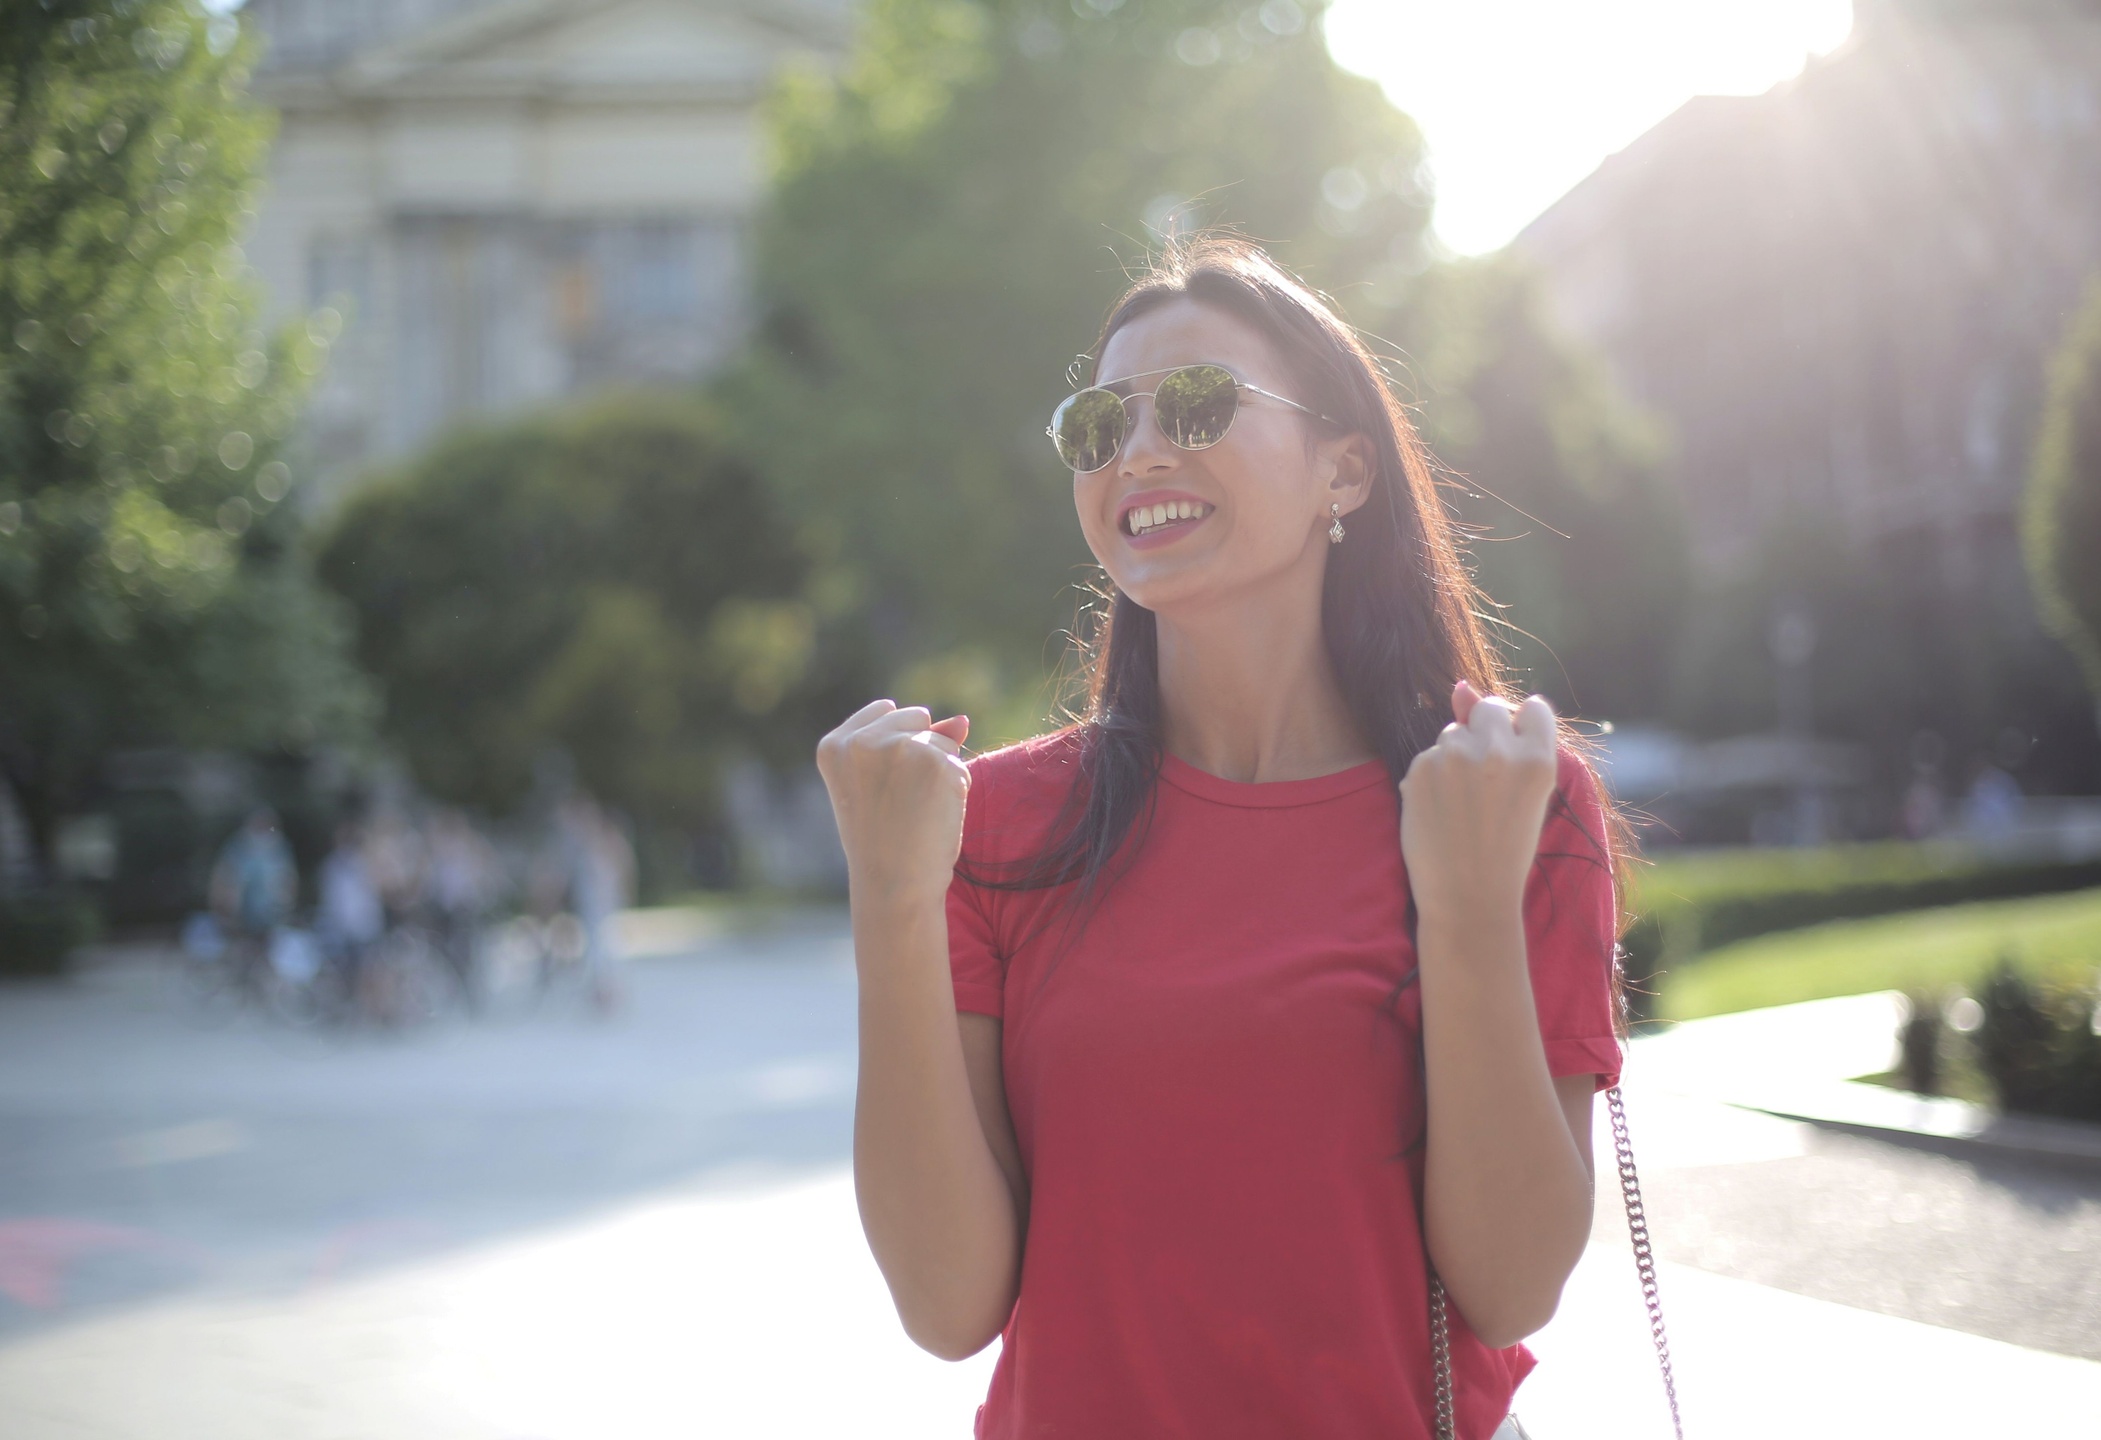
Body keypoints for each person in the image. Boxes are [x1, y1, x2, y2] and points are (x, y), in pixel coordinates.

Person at [816, 238, 1624, 1440]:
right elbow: (946, 1305)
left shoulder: (1501, 799)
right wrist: (889, 904)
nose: (1139, 452)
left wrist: (1461, 909)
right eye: (1100, 425)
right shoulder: (990, 826)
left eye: (1196, 404)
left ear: (1342, 468)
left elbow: (1510, 1285)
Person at [208, 808, 297, 984]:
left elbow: (288, 877)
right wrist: (222, 899)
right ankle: (243, 976)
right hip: (243, 906)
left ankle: (263, 976)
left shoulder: (279, 847)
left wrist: (287, 899)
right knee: (243, 943)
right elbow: (225, 873)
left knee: (269, 943)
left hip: (270, 908)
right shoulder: (238, 846)